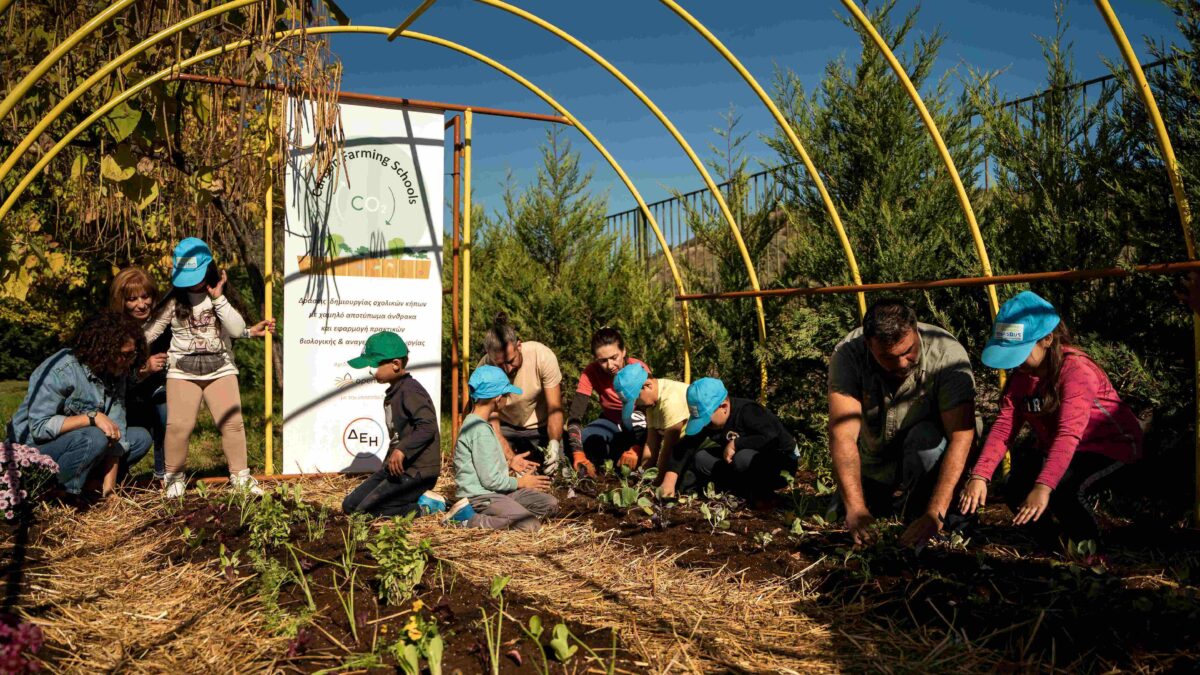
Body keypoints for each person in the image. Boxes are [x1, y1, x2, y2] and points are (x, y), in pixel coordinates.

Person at [960, 291, 1142, 545]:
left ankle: (1087, 551)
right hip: (1061, 449)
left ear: (1047, 339)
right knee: (1015, 488)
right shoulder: (1022, 377)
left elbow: (1069, 434)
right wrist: (980, 475)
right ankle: (1052, 545)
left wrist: (1044, 487)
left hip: (1109, 448)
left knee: (1066, 492)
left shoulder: (1076, 371)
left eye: (1021, 351)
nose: (1015, 362)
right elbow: (1004, 427)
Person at [827, 298, 977, 549]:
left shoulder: (947, 354)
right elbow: (842, 434)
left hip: (928, 458)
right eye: (888, 357)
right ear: (868, 345)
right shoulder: (848, 355)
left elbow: (962, 437)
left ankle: (923, 508)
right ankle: (888, 500)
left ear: (916, 331)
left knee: (925, 441)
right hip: (877, 459)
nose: (902, 364)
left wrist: (935, 514)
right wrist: (856, 508)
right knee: (845, 513)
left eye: (908, 352)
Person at [111, 266, 272, 482]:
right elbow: (141, 341)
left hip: (207, 371)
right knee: (175, 423)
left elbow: (222, 330)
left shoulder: (209, 301)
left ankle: (239, 476)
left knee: (229, 423)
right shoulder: (160, 311)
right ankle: (168, 477)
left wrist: (248, 332)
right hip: (138, 391)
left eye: (145, 296)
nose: (141, 304)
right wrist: (136, 364)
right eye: (132, 299)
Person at [144, 237, 273, 497]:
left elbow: (235, 329)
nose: (192, 282)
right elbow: (150, 332)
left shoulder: (219, 299)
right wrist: (127, 346)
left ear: (210, 270)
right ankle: (174, 478)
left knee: (232, 424)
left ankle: (241, 476)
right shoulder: (173, 302)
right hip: (182, 372)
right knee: (179, 426)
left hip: (221, 369)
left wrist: (219, 299)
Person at [7, 311, 153, 498]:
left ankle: (92, 484)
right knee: (94, 437)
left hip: (79, 443)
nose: (128, 362)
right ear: (102, 350)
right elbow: (39, 427)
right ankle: (65, 493)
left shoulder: (117, 371)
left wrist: (110, 493)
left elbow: (118, 432)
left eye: (132, 354)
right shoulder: (62, 369)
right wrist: (90, 418)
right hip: (33, 449)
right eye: (123, 355)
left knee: (140, 438)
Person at [339, 331, 443, 517]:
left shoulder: (411, 391)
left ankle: (426, 507)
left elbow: (428, 427)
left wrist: (402, 450)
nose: (370, 370)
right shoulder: (395, 391)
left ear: (396, 364)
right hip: (397, 469)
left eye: (374, 365)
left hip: (417, 472)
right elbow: (398, 436)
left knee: (366, 512)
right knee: (350, 506)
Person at [446, 365, 559, 531]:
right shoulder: (479, 430)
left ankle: (508, 514)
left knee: (550, 504)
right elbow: (490, 481)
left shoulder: (478, 424)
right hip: (481, 497)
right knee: (530, 525)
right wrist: (521, 482)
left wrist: (509, 463)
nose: (508, 399)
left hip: (496, 492)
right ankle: (467, 519)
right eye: (507, 395)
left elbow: (484, 467)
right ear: (498, 398)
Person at [659, 377, 798, 501]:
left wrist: (736, 443)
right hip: (741, 465)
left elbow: (771, 437)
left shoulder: (748, 411)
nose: (705, 426)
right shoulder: (713, 419)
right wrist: (669, 481)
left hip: (781, 464)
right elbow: (685, 447)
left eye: (707, 421)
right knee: (701, 458)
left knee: (743, 457)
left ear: (724, 407)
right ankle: (740, 491)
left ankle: (763, 496)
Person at [477, 312, 563, 476]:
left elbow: (555, 408)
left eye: (510, 361)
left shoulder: (542, 356)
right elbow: (491, 420)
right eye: (500, 364)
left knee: (559, 469)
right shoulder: (485, 369)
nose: (507, 369)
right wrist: (510, 459)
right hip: (504, 428)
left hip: (540, 428)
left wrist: (554, 443)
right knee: (490, 470)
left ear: (519, 345)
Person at [565, 328, 650, 476]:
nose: (610, 365)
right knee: (586, 437)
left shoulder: (638, 368)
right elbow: (575, 416)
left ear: (623, 351)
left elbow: (652, 411)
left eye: (614, 357)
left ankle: (631, 454)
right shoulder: (591, 372)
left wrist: (637, 447)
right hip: (610, 421)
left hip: (638, 423)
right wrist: (578, 453)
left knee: (634, 420)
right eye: (603, 361)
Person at [612, 364, 689, 479]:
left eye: (636, 399)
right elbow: (651, 442)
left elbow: (668, 449)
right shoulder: (651, 402)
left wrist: (657, 481)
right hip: (682, 448)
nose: (636, 404)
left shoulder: (670, 400)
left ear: (648, 386)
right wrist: (643, 474)